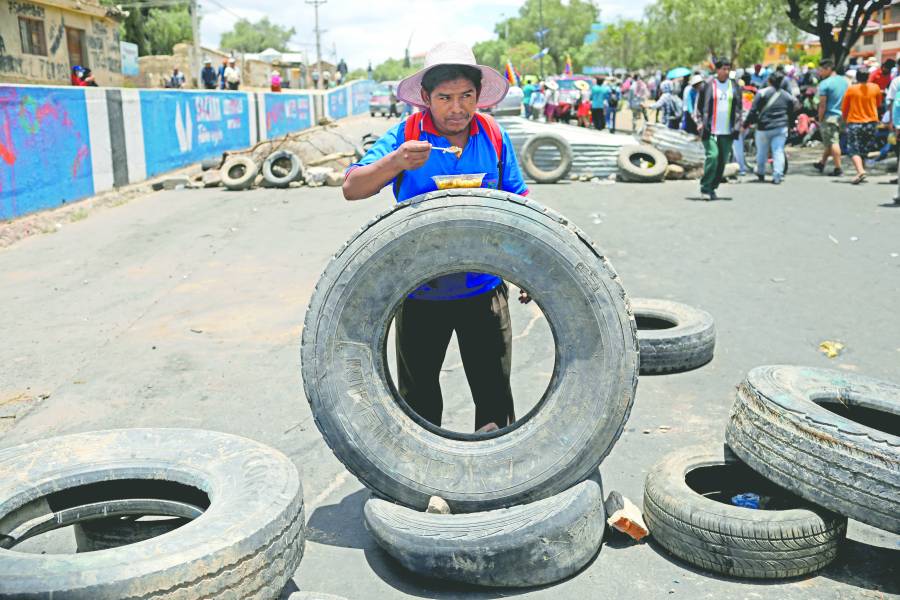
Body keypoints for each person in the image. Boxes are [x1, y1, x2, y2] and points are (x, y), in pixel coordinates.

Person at [342, 41, 529, 433]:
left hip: (484, 288)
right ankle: (424, 483)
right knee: (419, 399)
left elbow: (521, 206)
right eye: (445, 97)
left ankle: (495, 479)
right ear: (425, 97)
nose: (457, 108)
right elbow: (353, 187)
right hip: (419, 291)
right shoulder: (405, 135)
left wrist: (532, 269)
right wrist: (397, 161)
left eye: (467, 96)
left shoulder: (493, 135)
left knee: (493, 394)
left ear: (479, 96)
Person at [695, 57, 743, 200]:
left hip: (727, 130)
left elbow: (739, 108)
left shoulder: (734, 86)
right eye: (723, 69)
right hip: (710, 129)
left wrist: (739, 124)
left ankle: (713, 187)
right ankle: (705, 187)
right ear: (717, 70)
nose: (726, 71)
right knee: (713, 156)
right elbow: (699, 107)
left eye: (728, 69)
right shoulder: (708, 85)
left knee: (722, 161)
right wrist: (699, 122)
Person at [743, 72, 800, 184]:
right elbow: (794, 109)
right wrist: (791, 124)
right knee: (778, 151)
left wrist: (745, 124)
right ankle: (778, 174)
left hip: (763, 128)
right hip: (781, 127)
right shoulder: (786, 95)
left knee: (761, 152)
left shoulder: (762, 93)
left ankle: (760, 172)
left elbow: (753, 111)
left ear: (769, 81)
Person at [842, 68, 883, 184]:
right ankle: (862, 170)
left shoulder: (851, 89)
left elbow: (845, 108)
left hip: (855, 122)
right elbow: (879, 103)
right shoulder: (875, 88)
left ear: (857, 77)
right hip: (871, 122)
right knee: (864, 149)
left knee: (853, 149)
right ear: (868, 76)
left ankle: (860, 171)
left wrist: (845, 120)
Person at [814, 59, 849, 176]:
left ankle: (838, 168)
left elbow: (822, 105)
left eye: (821, 70)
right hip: (842, 116)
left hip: (830, 117)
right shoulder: (845, 81)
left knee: (833, 142)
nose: (820, 72)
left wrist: (820, 118)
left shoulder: (825, 84)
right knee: (831, 141)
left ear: (828, 69)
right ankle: (822, 163)